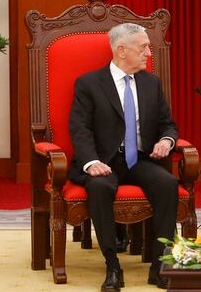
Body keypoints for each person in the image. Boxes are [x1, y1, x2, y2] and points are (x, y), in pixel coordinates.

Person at [69, 23, 179, 291]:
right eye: (143, 47)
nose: (149, 53)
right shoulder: (89, 84)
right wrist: (91, 162)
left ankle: (160, 265)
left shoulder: (151, 83)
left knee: (167, 183)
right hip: (103, 161)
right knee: (99, 186)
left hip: (140, 159)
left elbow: (168, 124)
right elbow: (79, 128)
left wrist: (167, 140)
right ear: (121, 50)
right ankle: (112, 265)